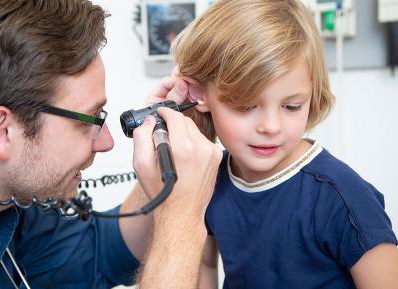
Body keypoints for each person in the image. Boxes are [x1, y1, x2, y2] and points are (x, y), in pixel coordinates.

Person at [0, 0, 222, 288]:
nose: (106, 142)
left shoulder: (9, 215)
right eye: (88, 120)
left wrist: (168, 148)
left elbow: (104, 251)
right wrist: (182, 218)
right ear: (3, 131)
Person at [161, 0, 398, 288]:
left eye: (292, 106)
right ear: (198, 93)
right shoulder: (207, 179)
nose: (271, 127)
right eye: (247, 106)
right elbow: (203, 263)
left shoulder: (343, 199)